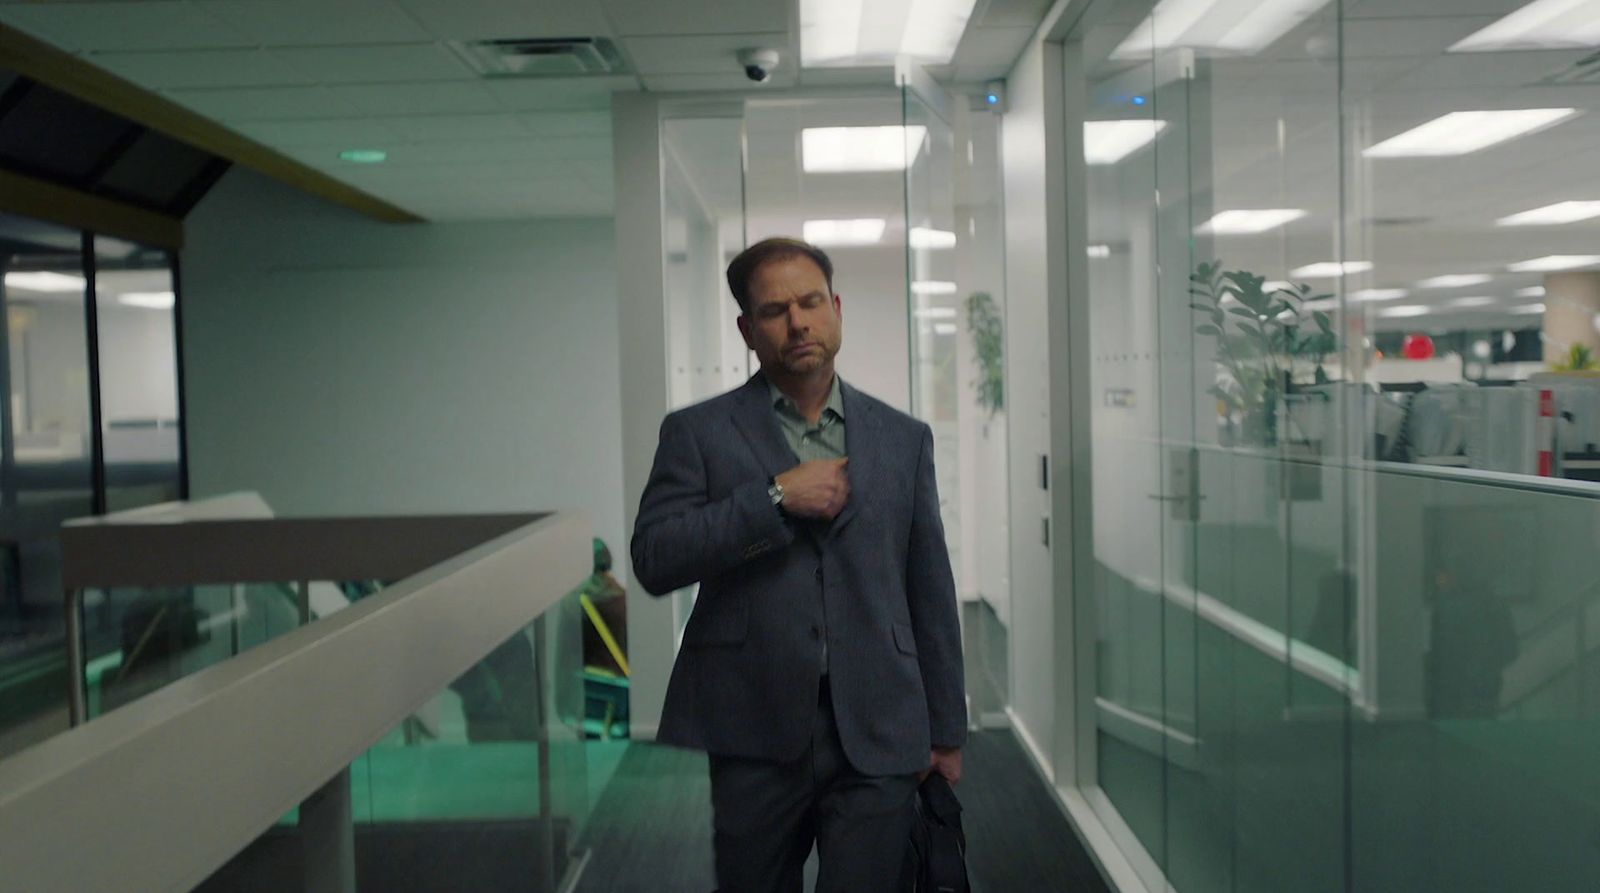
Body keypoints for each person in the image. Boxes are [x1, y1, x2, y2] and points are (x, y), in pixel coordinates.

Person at [631, 237, 966, 892]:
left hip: (878, 720)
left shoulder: (903, 439)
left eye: (811, 302)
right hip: (752, 722)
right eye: (775, 310)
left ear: (836, 307)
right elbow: (654, 557)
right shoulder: (697, 432)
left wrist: (947, 728)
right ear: (747, 329)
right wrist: (775, 499)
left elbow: (929, 587)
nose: (798, 321)